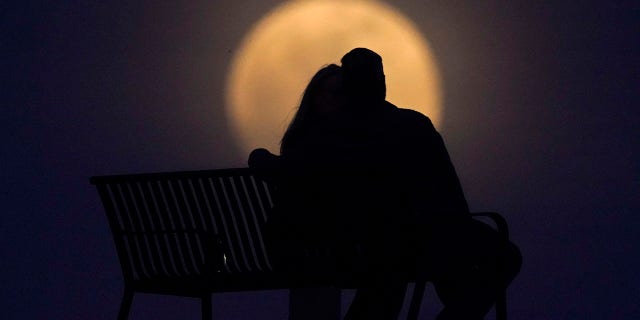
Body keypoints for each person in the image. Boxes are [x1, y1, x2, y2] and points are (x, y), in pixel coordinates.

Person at [336, 48, 522, 320]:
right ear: (381, 82)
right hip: (401, 241)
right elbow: (448, 191)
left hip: (401, 239)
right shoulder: (409, 125)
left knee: (452, 253)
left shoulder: (340, 131)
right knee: (499, 258)